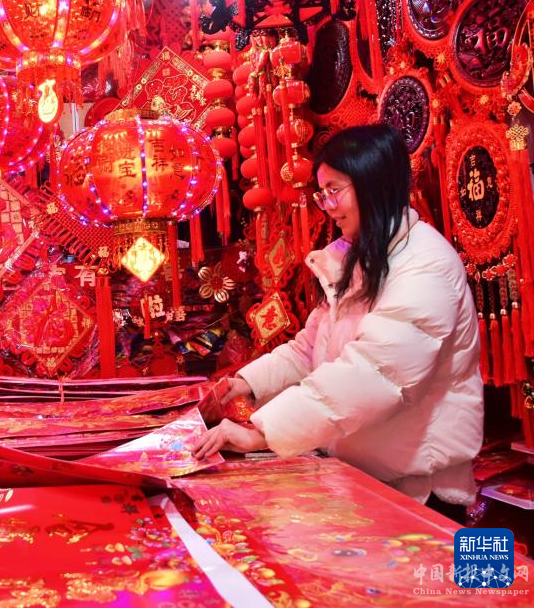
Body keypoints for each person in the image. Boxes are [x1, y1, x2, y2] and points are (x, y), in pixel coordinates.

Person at [193, 124, 484, 516]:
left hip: (418, 490)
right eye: (322, 193)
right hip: (363, 476)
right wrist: (243, 383)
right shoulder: (356, 258)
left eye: (335, 190)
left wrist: (262, 433)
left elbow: (372, 373)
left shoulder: (425, 264)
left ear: (373, 184)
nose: (327, 205)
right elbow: (310, 348)